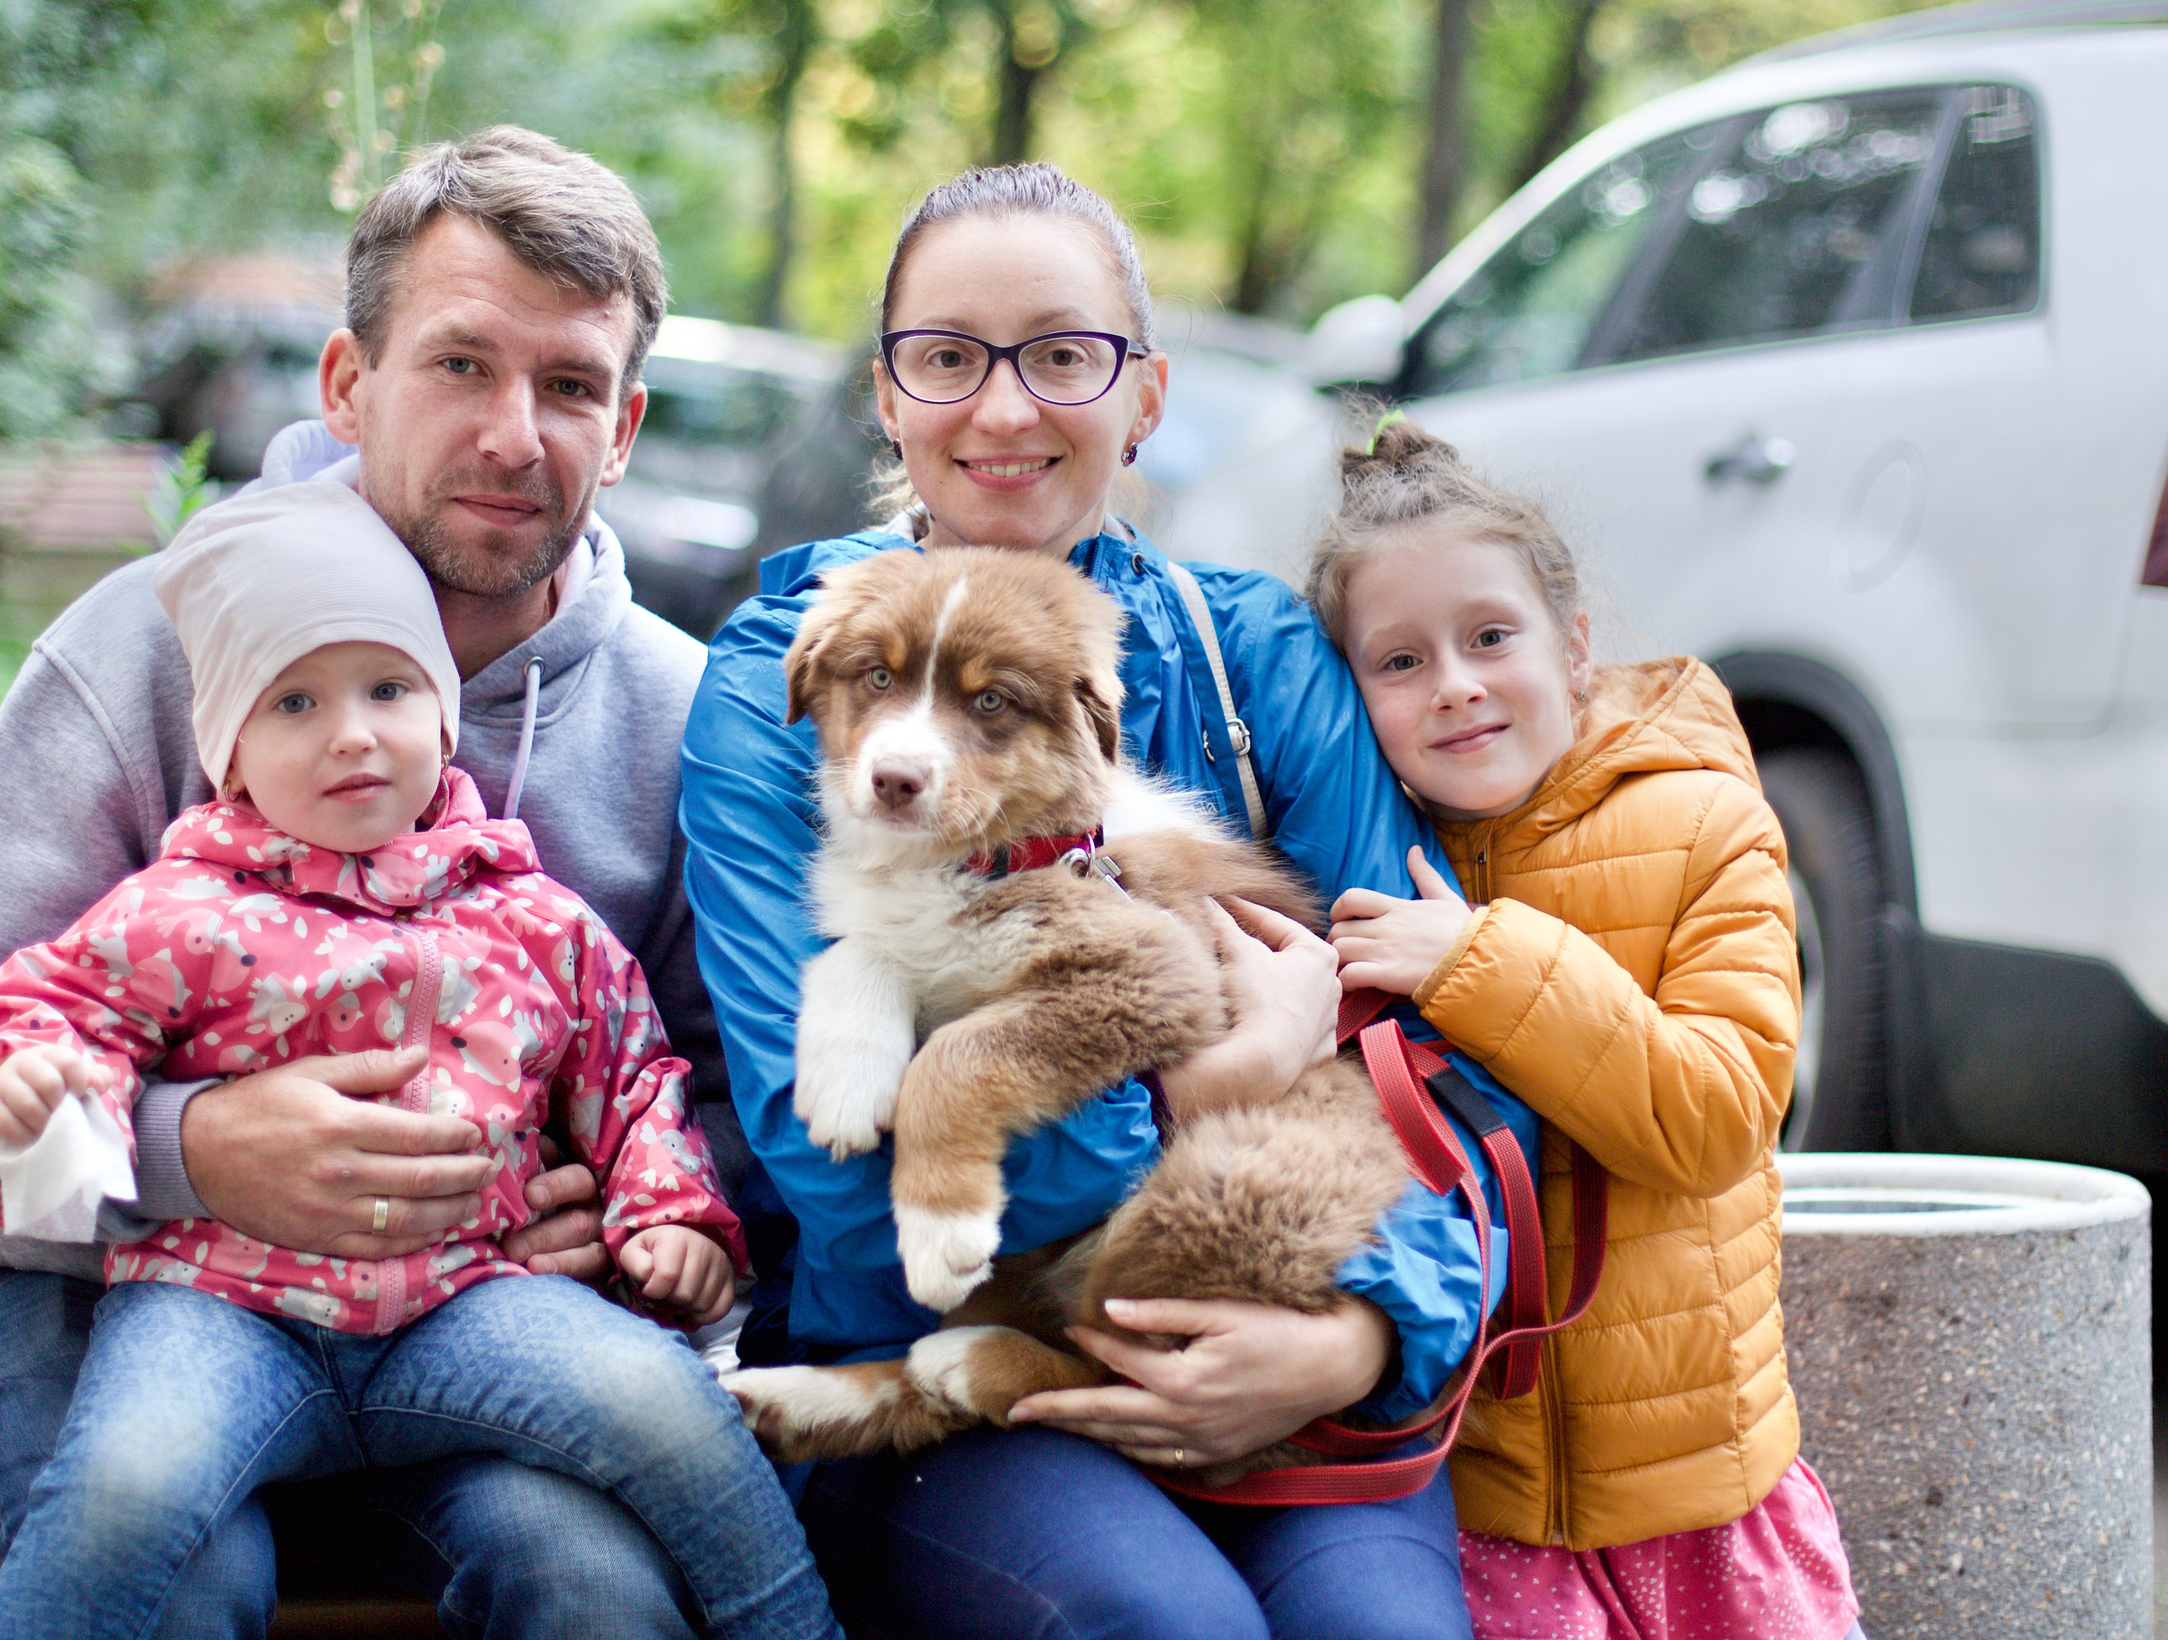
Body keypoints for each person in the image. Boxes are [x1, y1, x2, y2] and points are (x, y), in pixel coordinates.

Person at [0, 126, 747, 1639]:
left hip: (492, 1321)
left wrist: (632, 1205)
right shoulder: (148, 641)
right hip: (113, 1300)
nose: (514, 433)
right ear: (347, 384)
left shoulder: (685, 715)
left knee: (595, 1584)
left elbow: (728, 1081)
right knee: (175, 1575)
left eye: (570, 386)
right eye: (460, 366)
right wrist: (191, 1142)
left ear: (629, 421)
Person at [680, 162, 1537, 1640]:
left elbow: (1452, 1058)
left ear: (1144, 393)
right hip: (952, 1357)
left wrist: (1366, 1328)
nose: (1005, 410)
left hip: (1296, 1321)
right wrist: (1233, 1074)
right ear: (887, 393)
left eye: (1063, 355)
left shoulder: (1252, 658)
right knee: (1163, 1625)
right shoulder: (791, 679)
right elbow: (843, 1173)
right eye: (947, 357)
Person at [0, 481, 830, 1640]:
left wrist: (664, 1217)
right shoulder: (179, 911)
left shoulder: (533, 918)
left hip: (467, 1296)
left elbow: (635, 1073)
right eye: (295, 701)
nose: (352, 732)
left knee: (661, 1404)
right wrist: (35, 1082)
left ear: (445, 717)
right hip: (222, 1302)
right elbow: (52, 1012)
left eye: (389, 688)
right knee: (125, 1487)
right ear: (233, 752)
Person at [1313, 416, 1864, 1640]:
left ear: (1569, 645)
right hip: (1482, 1507)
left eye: (1489, 636)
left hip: (1702, 1506)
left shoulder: (1706, 826)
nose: (1453, 682)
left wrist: (1477, 959)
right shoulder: (1361, 858)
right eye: (1397, 661)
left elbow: (1716, 1116)